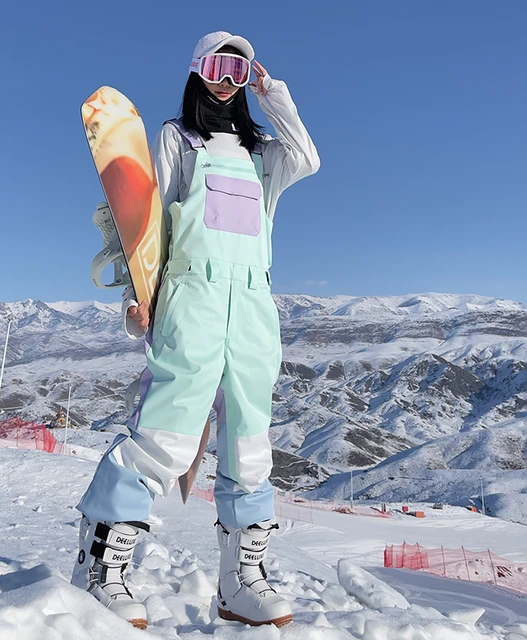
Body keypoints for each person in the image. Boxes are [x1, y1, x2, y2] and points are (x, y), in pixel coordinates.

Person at [72, 31, 320, 629]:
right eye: (217, 65)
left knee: (251, 447)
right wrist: (141, 297)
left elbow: (308, 157)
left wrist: (272, 91)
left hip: (255, 306)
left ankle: (241, 582)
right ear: (195, 71)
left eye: (238, 69)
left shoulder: (266, 154)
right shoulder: (176, 139)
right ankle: (101, 563)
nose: (227, 79)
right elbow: (147, 225)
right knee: (167, 437)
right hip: (194, 296)